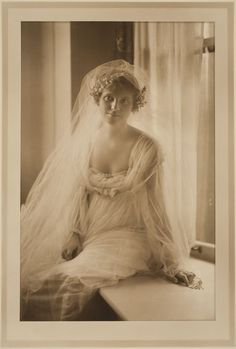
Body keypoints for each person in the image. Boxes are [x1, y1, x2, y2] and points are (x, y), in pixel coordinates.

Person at [20, 59, 202, 321]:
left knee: (67, 281)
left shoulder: (147, 146)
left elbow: (154, 203)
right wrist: (73, 233)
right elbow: (78, 194)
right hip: (87, 228)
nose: (115, 107)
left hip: (128, 232)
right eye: (109, 98)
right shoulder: (84, 144)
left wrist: (168, 254)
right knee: (26, 277)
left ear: (135, 104)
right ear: (97, 99)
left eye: (123, 100)